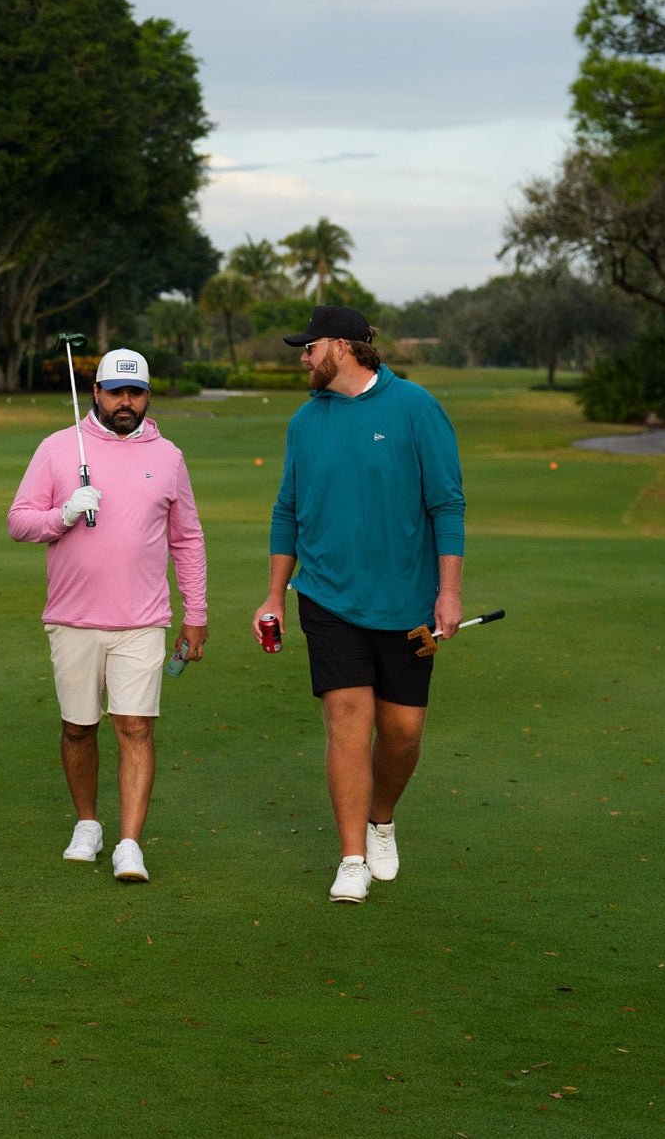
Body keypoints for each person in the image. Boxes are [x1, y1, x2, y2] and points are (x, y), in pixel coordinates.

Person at [253, 305, 464, 904]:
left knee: (402, 731)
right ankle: (351, 857)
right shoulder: (304, 421)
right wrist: (274, 595)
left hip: (407, 602)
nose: (303, 358)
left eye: (309, 347)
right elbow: (286, 510)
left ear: (341, 347)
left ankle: (381, 820)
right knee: (347, 720)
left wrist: (449, 591)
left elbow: (447, 504)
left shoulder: (415, 407)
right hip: (326, 597)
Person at [8, 347, 208, 883]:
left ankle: (129, 843)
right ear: (95, 392)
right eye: (115, 391)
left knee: (136, 727)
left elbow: (186, 539)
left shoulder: (168, 456)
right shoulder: (56, 449)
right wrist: (64, 513)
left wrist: (197, 612)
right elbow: (19, 522)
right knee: (78, 728)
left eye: (135, 392)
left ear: (147, 395)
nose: (125, 402)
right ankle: (88, 824)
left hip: (142, 619)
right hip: (72, 617)